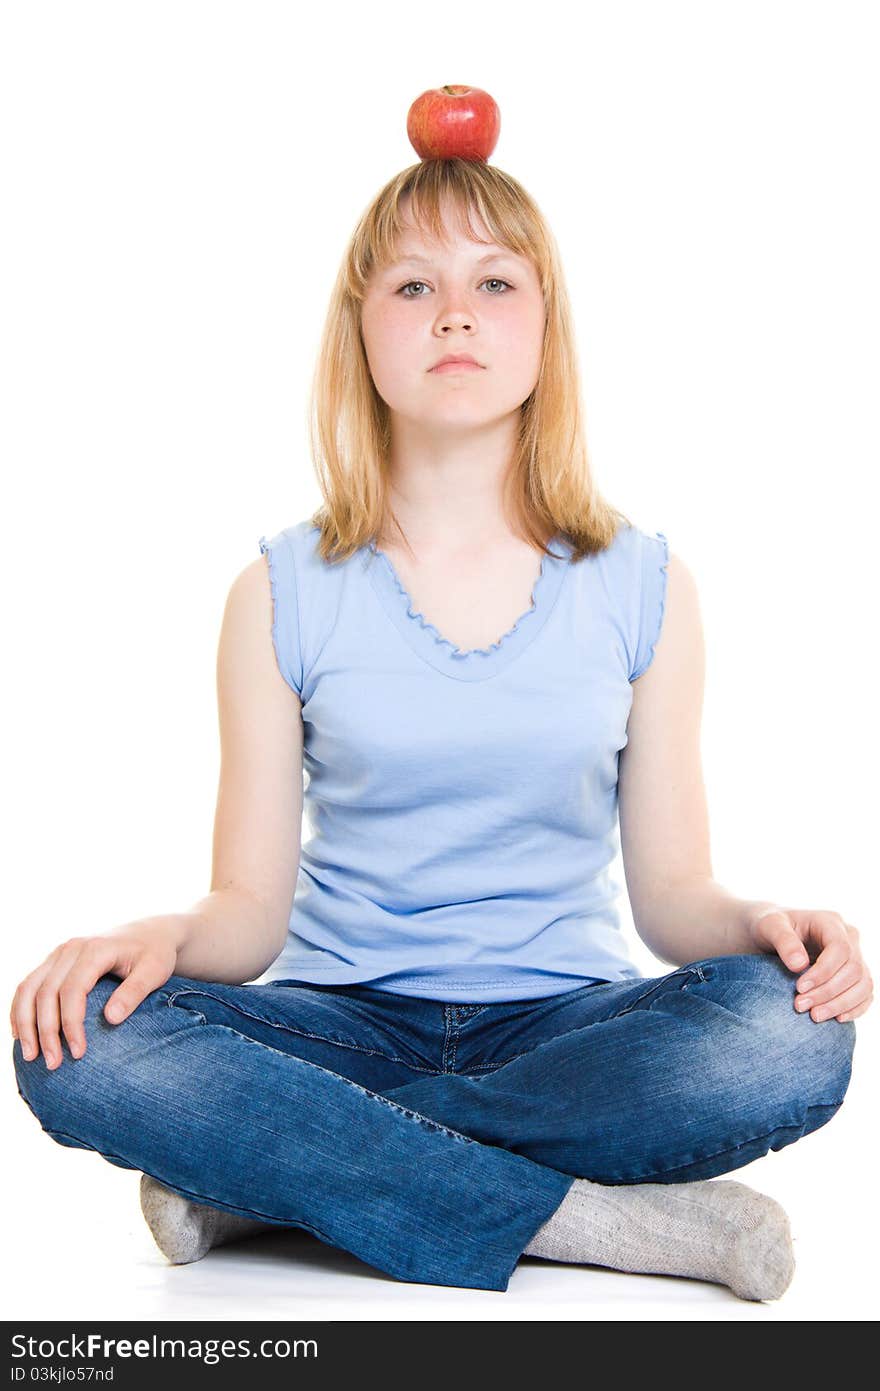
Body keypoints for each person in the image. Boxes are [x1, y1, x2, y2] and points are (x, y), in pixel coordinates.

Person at [10, 159, 870, 1302]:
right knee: (76, 1042)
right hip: (340, 1021)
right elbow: (248, 912)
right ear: (359, 329)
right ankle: (592, 1222)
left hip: (568, 1027)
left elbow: (672, 898)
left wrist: (765, 923)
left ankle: (269, 1178)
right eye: (412, 286)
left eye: (495, 282)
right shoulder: (278, 590)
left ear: (544, 326)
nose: (455, 311)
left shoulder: (644, 583)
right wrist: (156, 934)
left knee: (785, 1037)